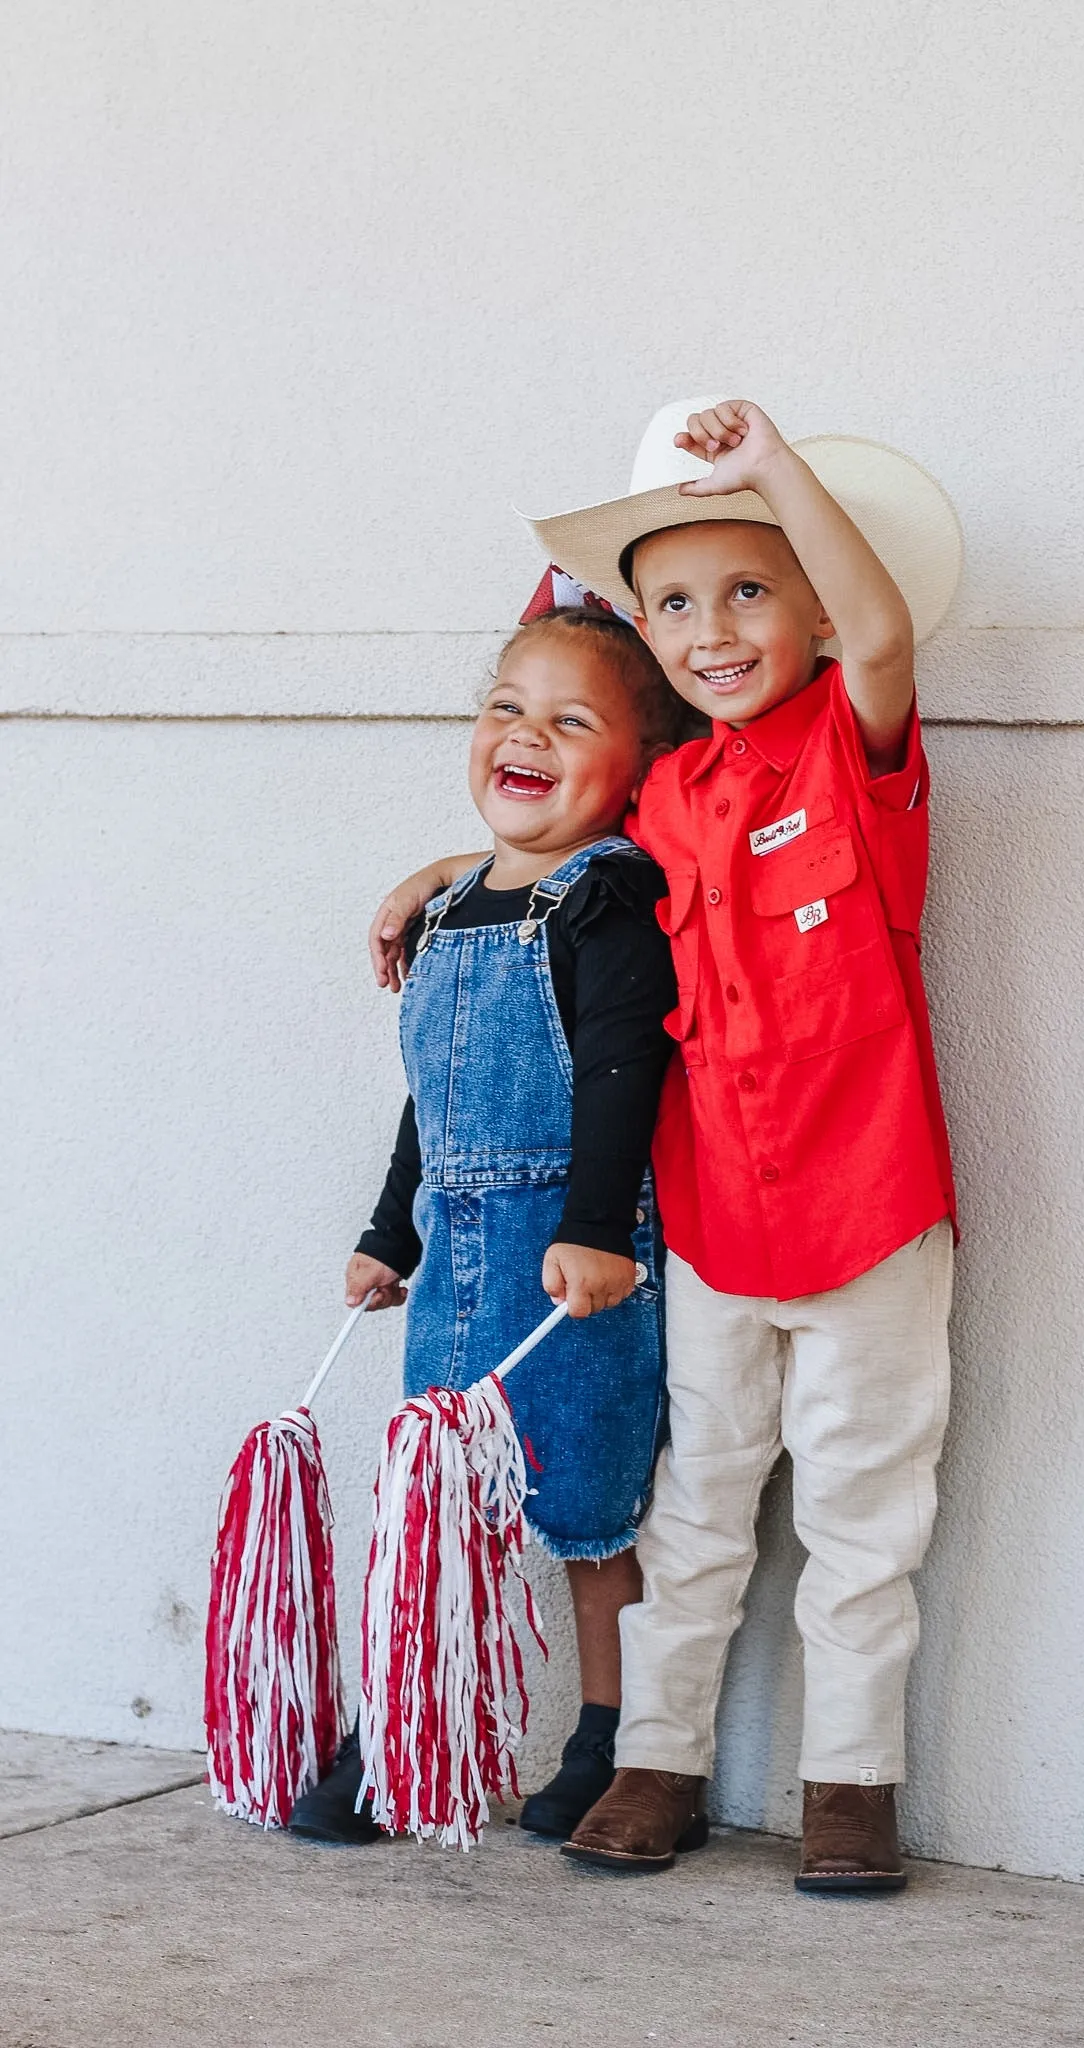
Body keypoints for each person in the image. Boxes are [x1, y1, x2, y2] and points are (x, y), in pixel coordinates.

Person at [367, 399, 963, 1894]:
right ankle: (660, 1763)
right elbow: (553, 822)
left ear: (817, 609)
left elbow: (885, 641)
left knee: (858, 1515)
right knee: (692, 1506)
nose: (713, 628)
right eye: (678, 601)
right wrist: (443, 871)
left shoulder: (852, 749)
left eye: (752, 589)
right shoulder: (671, 793)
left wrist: (773, 470)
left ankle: (850, 1790)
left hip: (871, 1215)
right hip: (702, 1222)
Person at [288, 604, 682, 1847]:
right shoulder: (451, 911)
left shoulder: (604, 900)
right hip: (454, 1253)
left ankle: (610, 1734)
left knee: (584, 1511)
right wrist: (387, 1237)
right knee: (434, 1499)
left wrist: (600, 1228)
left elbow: (625, 1070)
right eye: (508, 704)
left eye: (572, 719)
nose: (527, 733)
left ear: (636, 770)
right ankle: (408, 1729)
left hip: (568, 1265)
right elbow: (431, 1096)